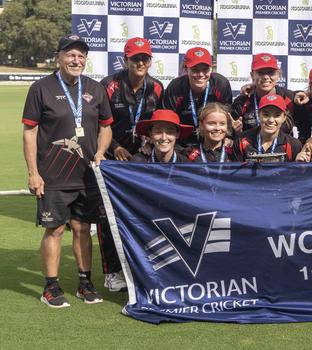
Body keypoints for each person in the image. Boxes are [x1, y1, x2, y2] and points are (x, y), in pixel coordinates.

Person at [22, 34, 113, 308]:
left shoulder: (96, 89)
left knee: (83, 228)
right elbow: (30, 131)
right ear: (59, 57)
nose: (76, 60)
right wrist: (33, 173)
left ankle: (85, 283)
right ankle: (51, 287)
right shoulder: (41, 88)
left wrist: (100, 151)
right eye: (71, 54)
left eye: (81, 56)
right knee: (55, 230)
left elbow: (106, 126)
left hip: (86, 176)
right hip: (52, 175)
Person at [99, 37, 164, 292]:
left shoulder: (157, 87)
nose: (140, 62)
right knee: (108, 216)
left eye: (144, 58)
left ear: (150, 61)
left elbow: (162, 121)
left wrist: (153, 143)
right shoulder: (109, 85)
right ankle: (112, 271)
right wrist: (115, 147)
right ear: (125, 60)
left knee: (146, 214)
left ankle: (143, 266)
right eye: (135, 58)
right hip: (115, 158)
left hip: (144, 161)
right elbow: (98, 123)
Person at [163, 47, 232, 147]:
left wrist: (229, 136)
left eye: (205, 69)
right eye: (195, 70)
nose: (200, 74)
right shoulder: (175, 88)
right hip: (182, 144)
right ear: (186, 69)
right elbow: (168, 120)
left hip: (213, 142)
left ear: (211, 68)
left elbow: (228, 116)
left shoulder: (221, 84)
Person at [231, 53, 295, 135]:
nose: (266, 77)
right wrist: (235, 133)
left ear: (278, 75)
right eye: (260, 73)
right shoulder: (242, 101)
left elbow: (304, 129)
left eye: (271, 72)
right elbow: (230, 133)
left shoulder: (290, 98)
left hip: (283, 147)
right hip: (251, 147)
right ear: (252, 75)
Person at [237, 94, 302, 162]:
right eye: (266, 115)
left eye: (277, 115)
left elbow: (296, 171)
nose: (271, 120)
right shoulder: (241, 141)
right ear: (259, 115)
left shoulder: (294, 145)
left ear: (284, 117)